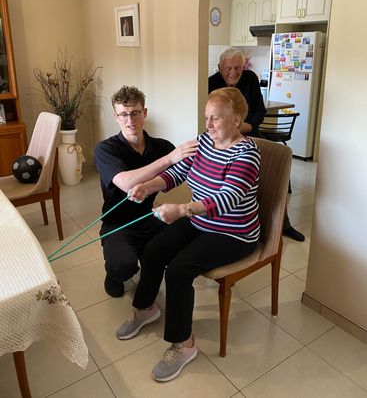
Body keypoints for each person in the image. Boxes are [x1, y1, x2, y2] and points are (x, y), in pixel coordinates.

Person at [116, 87, 261, 382]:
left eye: (215, 119)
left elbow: (225, 200)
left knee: (179, 270)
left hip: (234, 232)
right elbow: (179, 171)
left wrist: (181, 210)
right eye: (206, 117)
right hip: (201, 221)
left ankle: (185, 345)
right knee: (155, 249)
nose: (207, 125)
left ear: (236, 120)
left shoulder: (247, 155)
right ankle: (145, 308)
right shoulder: (206, 141)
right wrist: (151, 186)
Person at [94, 85, 197, 298]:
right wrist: (169, 159)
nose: (130, 120)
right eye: (123, 114)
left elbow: (191, 169)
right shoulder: (105, 149)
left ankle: (147, 256)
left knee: (182, 249)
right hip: (118, 223)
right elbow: (125, 183)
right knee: (124, 267)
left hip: (150, 218)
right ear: (116, 117)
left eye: (135, 113)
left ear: (145, 113)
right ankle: (114, 274)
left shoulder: (161, 146)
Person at [209, 46, 305, 242]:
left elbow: (260, 111)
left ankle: (283, 224)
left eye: (238, 67)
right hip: (223, 137)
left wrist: (246, 125)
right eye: (228, 68)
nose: (233, 73)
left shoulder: (250, 78)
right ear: (220, 67)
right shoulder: (211, 83)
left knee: (276, 166)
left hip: (249, 131)